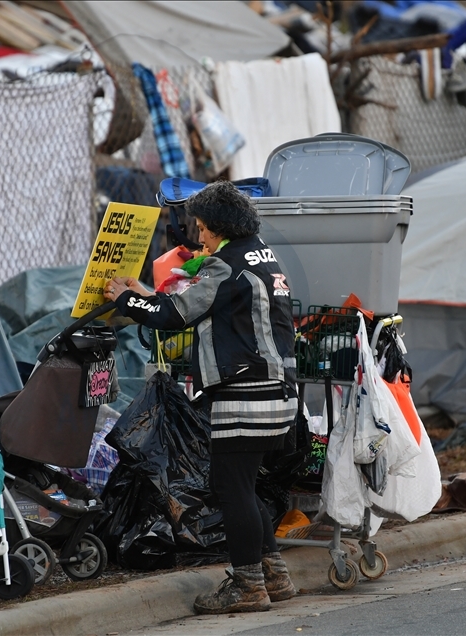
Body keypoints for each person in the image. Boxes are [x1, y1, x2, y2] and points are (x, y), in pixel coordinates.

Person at [103, 180, 298, 614]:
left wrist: (126, 302)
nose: (200, 236)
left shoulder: (224, 264)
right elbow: (198, 304)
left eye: (204, 228)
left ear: (220, 226)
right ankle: (274, 575)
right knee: (242, 487)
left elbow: (175, 314)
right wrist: (143, 295)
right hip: (277, 391)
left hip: (247, 394)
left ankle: (249, 586)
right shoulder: (260, 253)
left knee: (231, 489)